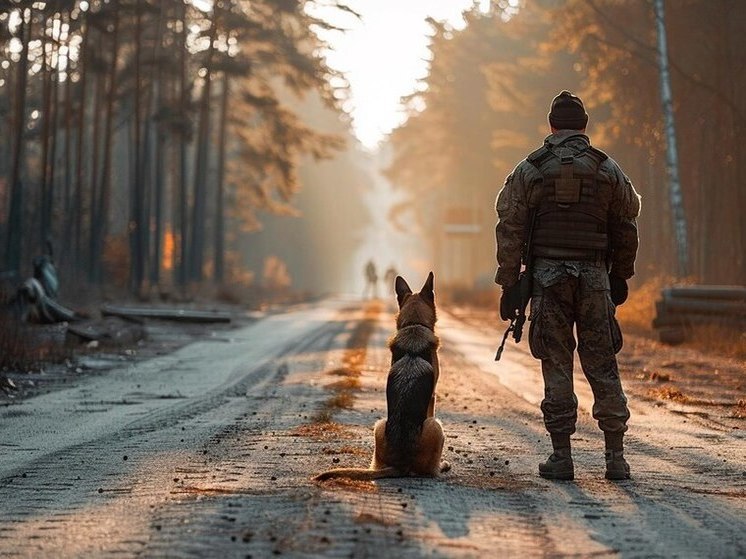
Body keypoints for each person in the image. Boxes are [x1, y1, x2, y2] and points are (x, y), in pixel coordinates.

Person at [494, 90, 641, 481]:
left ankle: (562, 457)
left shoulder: (530, 169)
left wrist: (509, 283)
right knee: (602, 363)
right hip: (595, 280)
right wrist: (620, 275)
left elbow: (509, 228)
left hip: (547, 279)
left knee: (556, 362)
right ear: (585, 127)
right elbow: (627, 225)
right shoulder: (607, 169)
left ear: (552, 126)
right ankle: (616, 458)